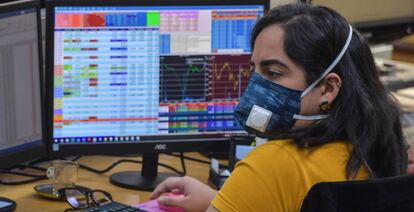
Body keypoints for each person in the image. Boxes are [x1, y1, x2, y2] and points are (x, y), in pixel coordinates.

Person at [150, 3, 408, 211]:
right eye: (255, 71)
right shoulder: (382, 146)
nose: (256, 87)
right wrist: (225, 199)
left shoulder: (270, 165)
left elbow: (280, 183)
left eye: (273, 73)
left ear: (328, 88)